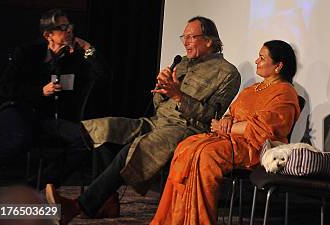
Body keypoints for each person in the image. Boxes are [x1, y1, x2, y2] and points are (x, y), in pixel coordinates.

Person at [45, 16, 241, 223]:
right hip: (158, 121)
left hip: (186, 129)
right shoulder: (182, 63)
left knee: (135, 148)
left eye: (192, 37)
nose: (186, 42)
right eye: (184, 36)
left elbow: (212, 118)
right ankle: (107, 200)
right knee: (104, 128)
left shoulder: (228, 73)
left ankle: (77, 206)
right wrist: (162, 87)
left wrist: (178, 96)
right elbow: (159, 104)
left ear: (209, 41)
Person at [149, 40, 300, 225]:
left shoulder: (285, 92)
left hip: (256, 147)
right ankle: (175, 218)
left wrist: (225, 127)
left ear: (279, 66)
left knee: (206, 155)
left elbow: (265, 129)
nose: (256, 61)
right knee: (186, 147)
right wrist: (227, 120)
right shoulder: (251, 89)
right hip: (230, 139)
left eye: (262, 58)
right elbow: (231, 113)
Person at [0, 8, 110, 185]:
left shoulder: (74, 58)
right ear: (48, 34)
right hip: (18, 109)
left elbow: (104, 77)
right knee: (19, 139)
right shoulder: (27, 53)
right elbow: (5, 88)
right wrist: (40, 91)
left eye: (70, 26)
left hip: (49, 118)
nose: (69, 30)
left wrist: (88, 48)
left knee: (85, 140)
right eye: (63, 27)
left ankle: (39, 186)